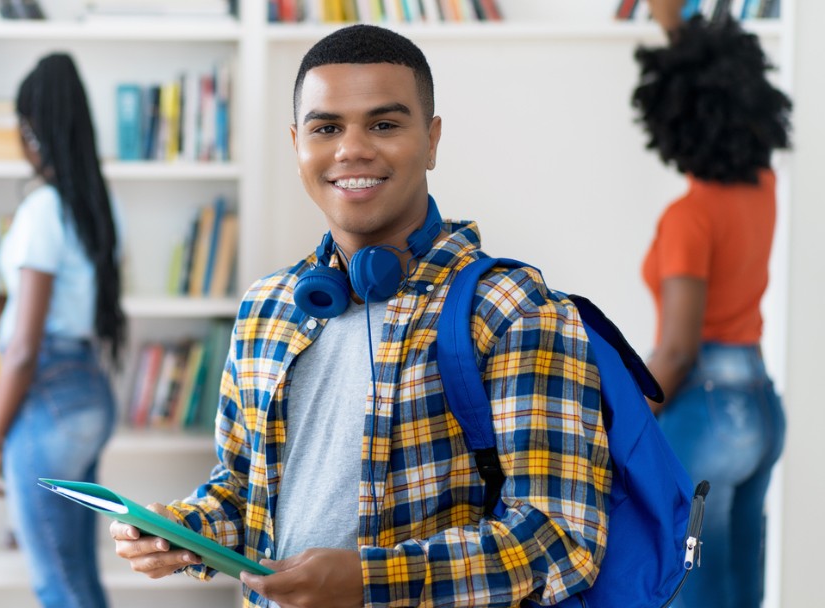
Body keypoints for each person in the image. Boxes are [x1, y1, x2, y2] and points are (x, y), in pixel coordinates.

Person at [111, 24, 612, 608]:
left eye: (384, 124)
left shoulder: (510, 308)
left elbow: (560, 540)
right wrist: (182, 531)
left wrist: (367, 582)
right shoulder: (266, 307)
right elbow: (246, 493)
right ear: (297, 143)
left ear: (431, 140)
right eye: (327, 128)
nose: (352, 148)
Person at [634, 1, 791, 607]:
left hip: (705, 409)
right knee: (741, 587)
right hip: (758, 404)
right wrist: (676, 25)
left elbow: (676, 348)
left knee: (691, 586)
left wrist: (628, 415)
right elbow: (721, 77)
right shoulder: (761, 185)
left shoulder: (689, 219)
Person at [0, 52, 126, 608]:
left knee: (56, 584)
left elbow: (22, 351)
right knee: (80, 576)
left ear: (32, 130)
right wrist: (10, 298)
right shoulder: (98, 205)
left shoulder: (42, 209)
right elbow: (72, 295)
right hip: (89, 391)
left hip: (47, 398)